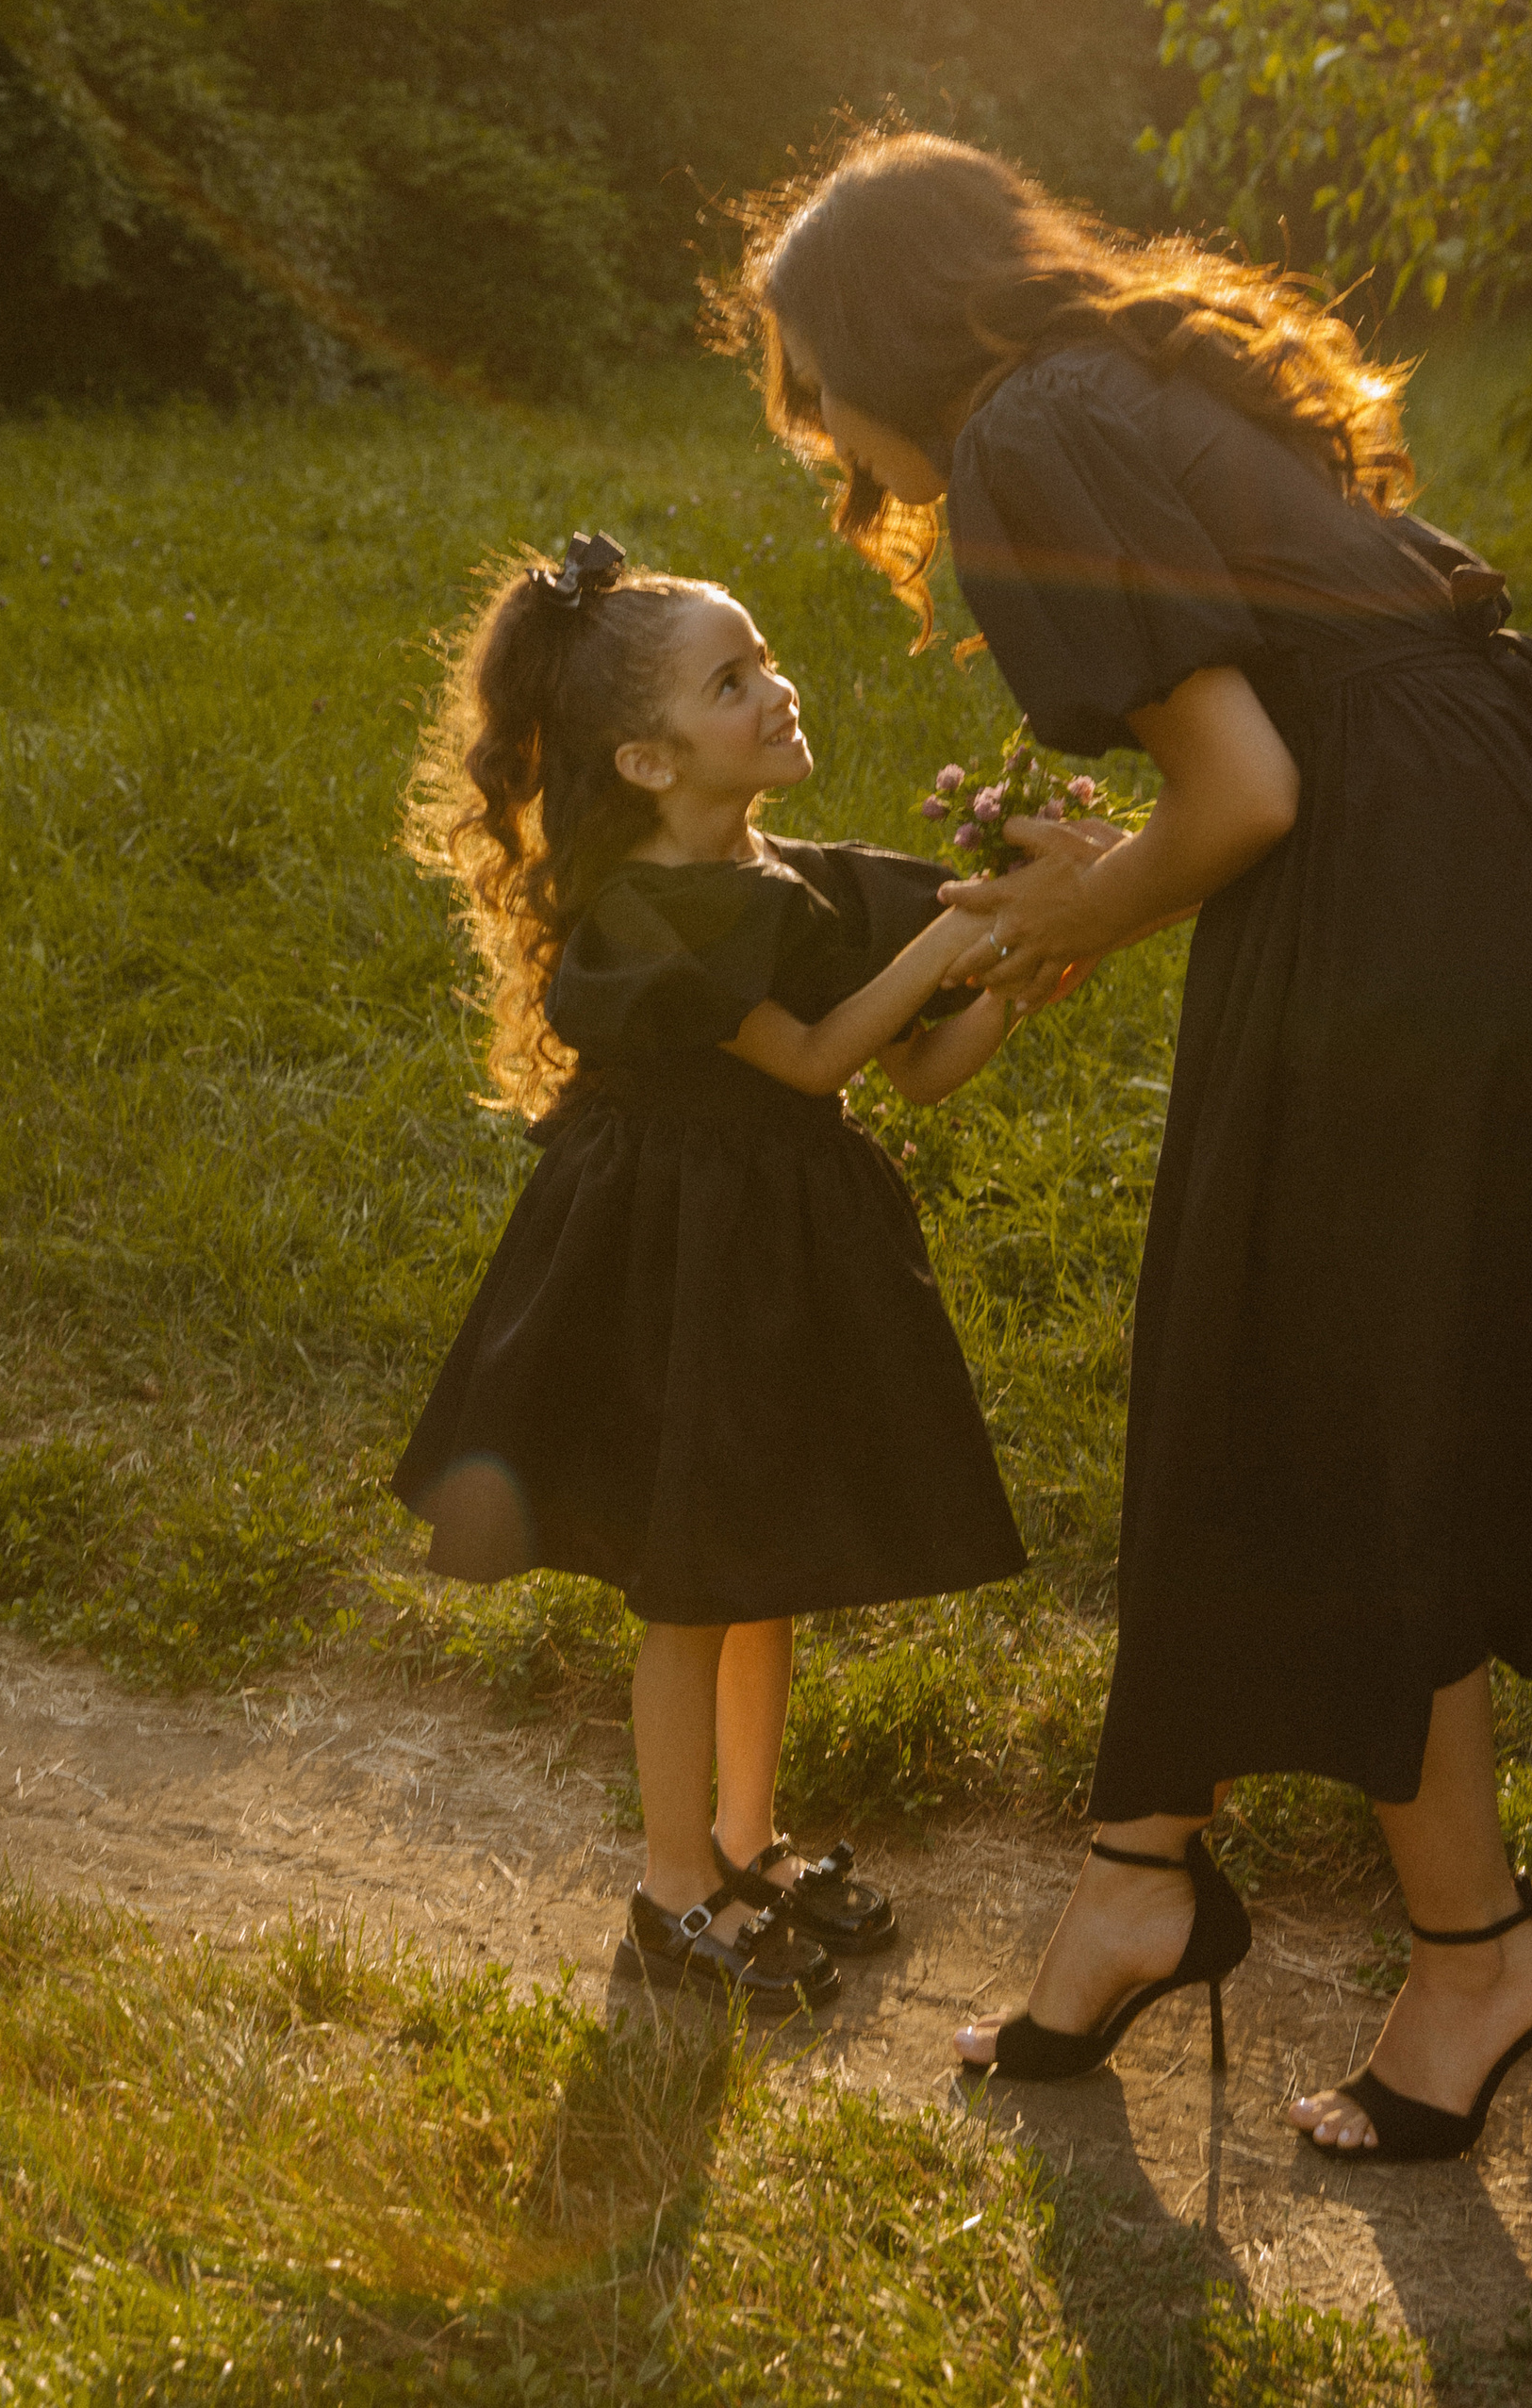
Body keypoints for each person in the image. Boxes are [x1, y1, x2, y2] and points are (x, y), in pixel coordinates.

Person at [726, 131, 1532, 2157]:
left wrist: (1077, 904)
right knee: (1295, 1378)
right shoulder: (1119, 375)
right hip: (1491, 851)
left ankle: (1452, 1951)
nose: (816, 436)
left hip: (1405, 894)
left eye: (806, 385)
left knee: (1338, 1395)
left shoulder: (1023, 428)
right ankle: (1152, 1876)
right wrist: (1124, 866)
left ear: (878, 343)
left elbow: (1248, 786)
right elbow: (1290, 740)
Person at [392, 530, 1030, 2011]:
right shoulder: (651, 916)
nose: (777, 690)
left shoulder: (788, 877)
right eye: (732, 681)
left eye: (765, 661)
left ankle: (745, 1845)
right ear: (645, 764)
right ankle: (672, 1887)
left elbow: (916, 1073)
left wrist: (1015, 975)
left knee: (760, 1565)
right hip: (672, 1263)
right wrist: (950, 949)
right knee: (687, 1586)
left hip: (776, 1254)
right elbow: (812, 1058)